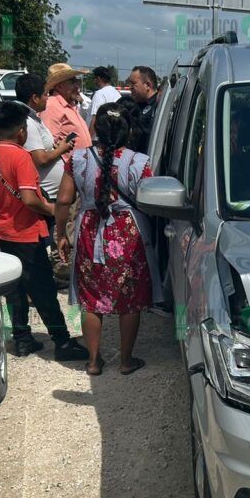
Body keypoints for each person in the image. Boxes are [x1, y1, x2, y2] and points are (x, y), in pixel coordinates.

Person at [0, 101, 88, 361]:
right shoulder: (21, 157)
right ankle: (62, 341)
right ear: (21, 132)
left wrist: (6, 207)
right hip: (28, 232)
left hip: (3, 231)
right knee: (44, 291)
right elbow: (29, 198)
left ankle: (22, 340)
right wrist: (52, 210)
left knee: (14, 292)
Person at [55, 105, 157, 376]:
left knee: (91, 300)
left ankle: (93, 361)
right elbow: (151, 201)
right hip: (128, 234)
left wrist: (61, 234)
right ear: (129, 130)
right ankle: (126, 360)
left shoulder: (76, 159)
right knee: (130, 299)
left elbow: (64, 199)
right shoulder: (140, 161)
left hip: (91, 232)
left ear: (96, 129)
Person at [15, 73, 73, 201]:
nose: (48, 98)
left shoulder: (34, 118)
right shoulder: (27, 123)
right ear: (35, 98)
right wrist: (61, 149)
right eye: (46, 94)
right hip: (46, 197)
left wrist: (56, 149)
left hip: (52, 195)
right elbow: (40, 159)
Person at [41, 63, 92, 157]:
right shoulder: (51, 106)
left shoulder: (69, 104)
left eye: (76, 81)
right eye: (73, 82)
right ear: (59, 86)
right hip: (66, 168)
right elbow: (48, 145)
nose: (77, 86)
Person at [127, 66, 159, 150]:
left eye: (133, 83)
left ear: (147, 85)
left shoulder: (158, 106)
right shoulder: (132, 105)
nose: (130, 87)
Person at [88, 66, 122, 133]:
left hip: (98, 138)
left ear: (98, 78)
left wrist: (89, 139)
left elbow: (95, 118)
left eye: (94, 78)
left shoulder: (99, 94)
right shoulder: (117, 93)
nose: (94, 81)